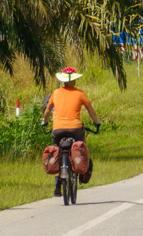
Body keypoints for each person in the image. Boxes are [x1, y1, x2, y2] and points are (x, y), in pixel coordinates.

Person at [42, 67, 100, 196]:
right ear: (74, 81)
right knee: (82, 145)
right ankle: (82, 170)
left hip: (57, 129)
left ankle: (57, 183)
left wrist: (45, 122)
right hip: (75, 128)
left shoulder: (55, 93)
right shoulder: (80, 94)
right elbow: (91, 111)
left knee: (56, 152)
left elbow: (47, 111)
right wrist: (97, 123)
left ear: (62, 81)